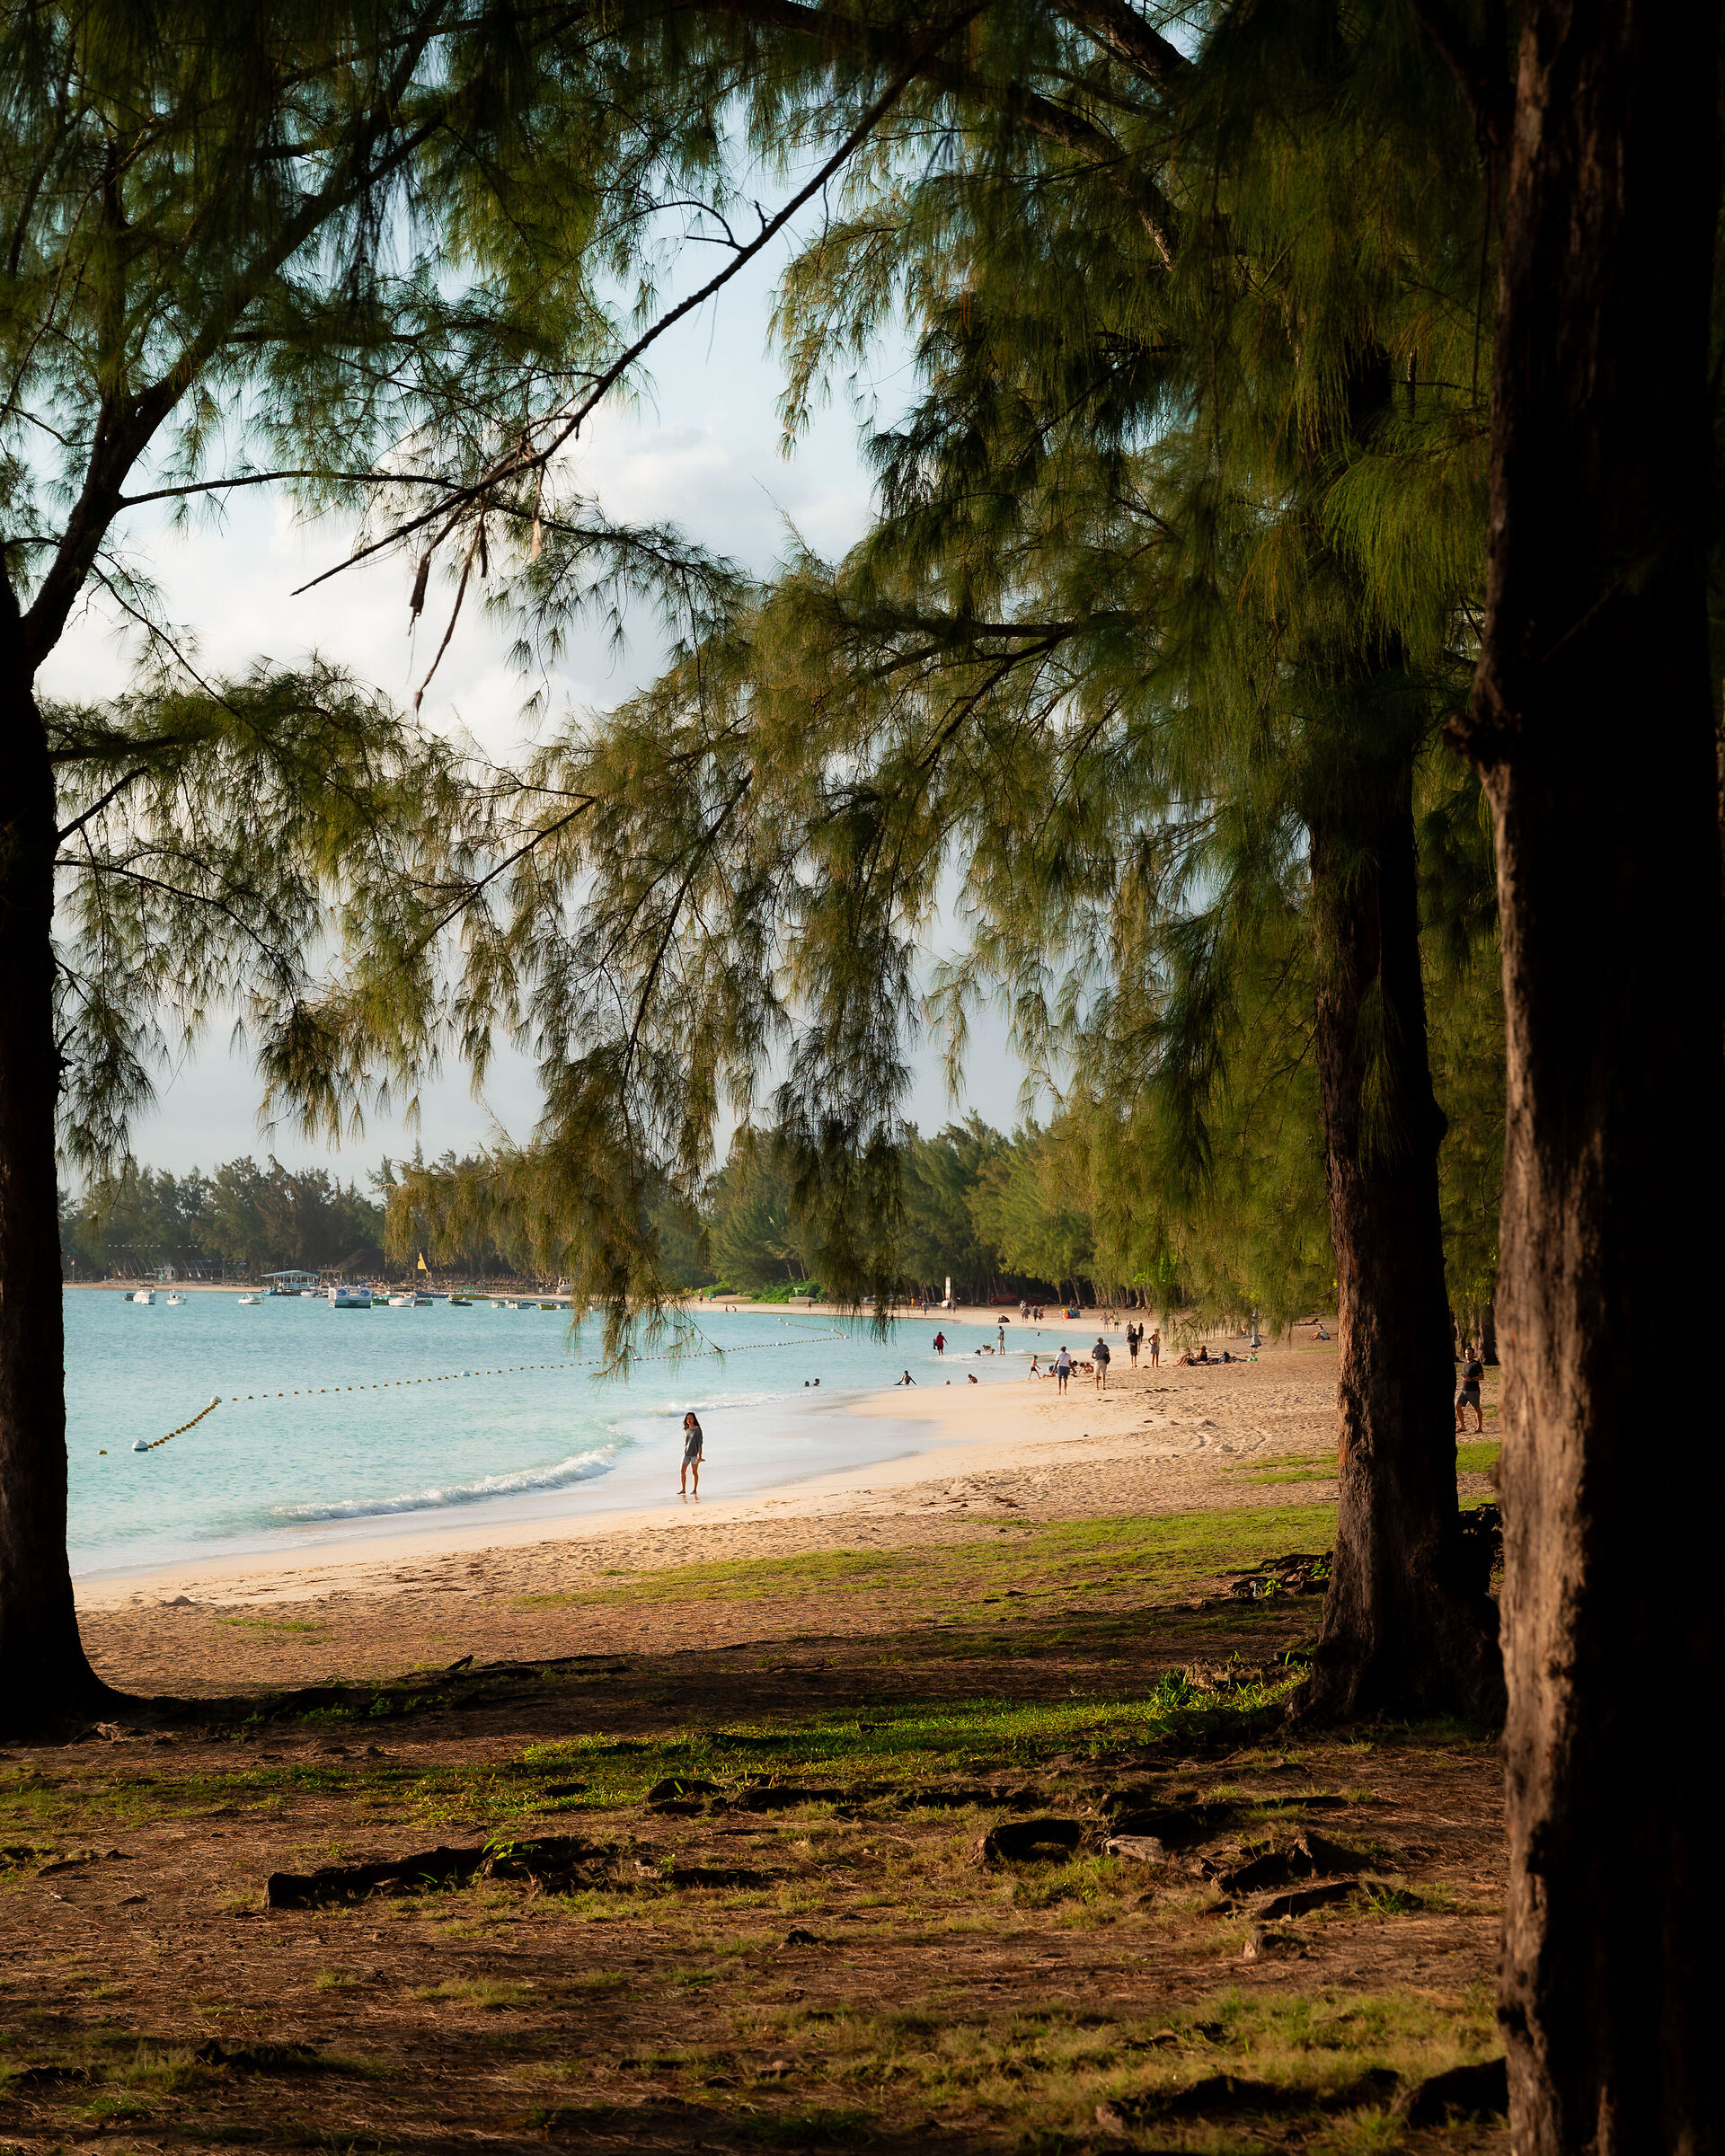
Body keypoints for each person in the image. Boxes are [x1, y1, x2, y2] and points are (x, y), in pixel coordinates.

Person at [1455, 1348, 1484, 1434]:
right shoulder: (1464, 1364)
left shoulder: (1477, 1364)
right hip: (1464, 1390)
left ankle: (1479, 1428)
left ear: (1473, 1354)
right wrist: (1464, 1378)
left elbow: (1482, 1377)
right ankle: (1462, 1426)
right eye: (1466, 1353)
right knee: (1457, 1406)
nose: (1467, 1355)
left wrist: (1471, 1379)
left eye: (1469, 1353)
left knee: (1476, 1409)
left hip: (1473, 1391)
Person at [679, 1411, 703, 1497]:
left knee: (694, 1472)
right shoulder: (685, 1429)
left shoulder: (697, 1429)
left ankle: (695, 1490)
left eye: (690, 1418)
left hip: (694, 1455)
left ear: (694, 1419)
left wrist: (699, 1454)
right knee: (682, 1471)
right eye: (687, 1419)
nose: (688, 1420)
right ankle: (683, 1489)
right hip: (686, 1454)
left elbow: (700, 1442)